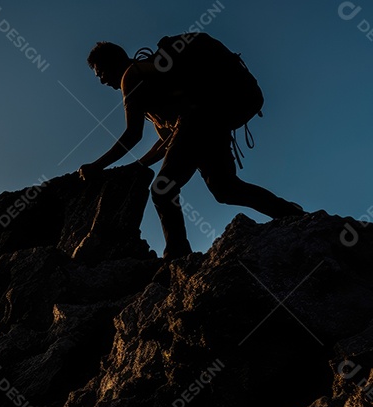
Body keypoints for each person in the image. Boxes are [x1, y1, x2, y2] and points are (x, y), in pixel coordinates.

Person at [78, 40, 305, 259]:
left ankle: (176, 255)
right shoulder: (151, 79)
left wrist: (97, 166)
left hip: (198, 120)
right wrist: (135, 168)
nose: (102, 81)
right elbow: (168, 143)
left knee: (163, 190)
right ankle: (293, 214)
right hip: (211, 119)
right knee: (225, 188)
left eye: (101, 73)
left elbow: (133, 135)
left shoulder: (132, 76)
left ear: (113, 63)